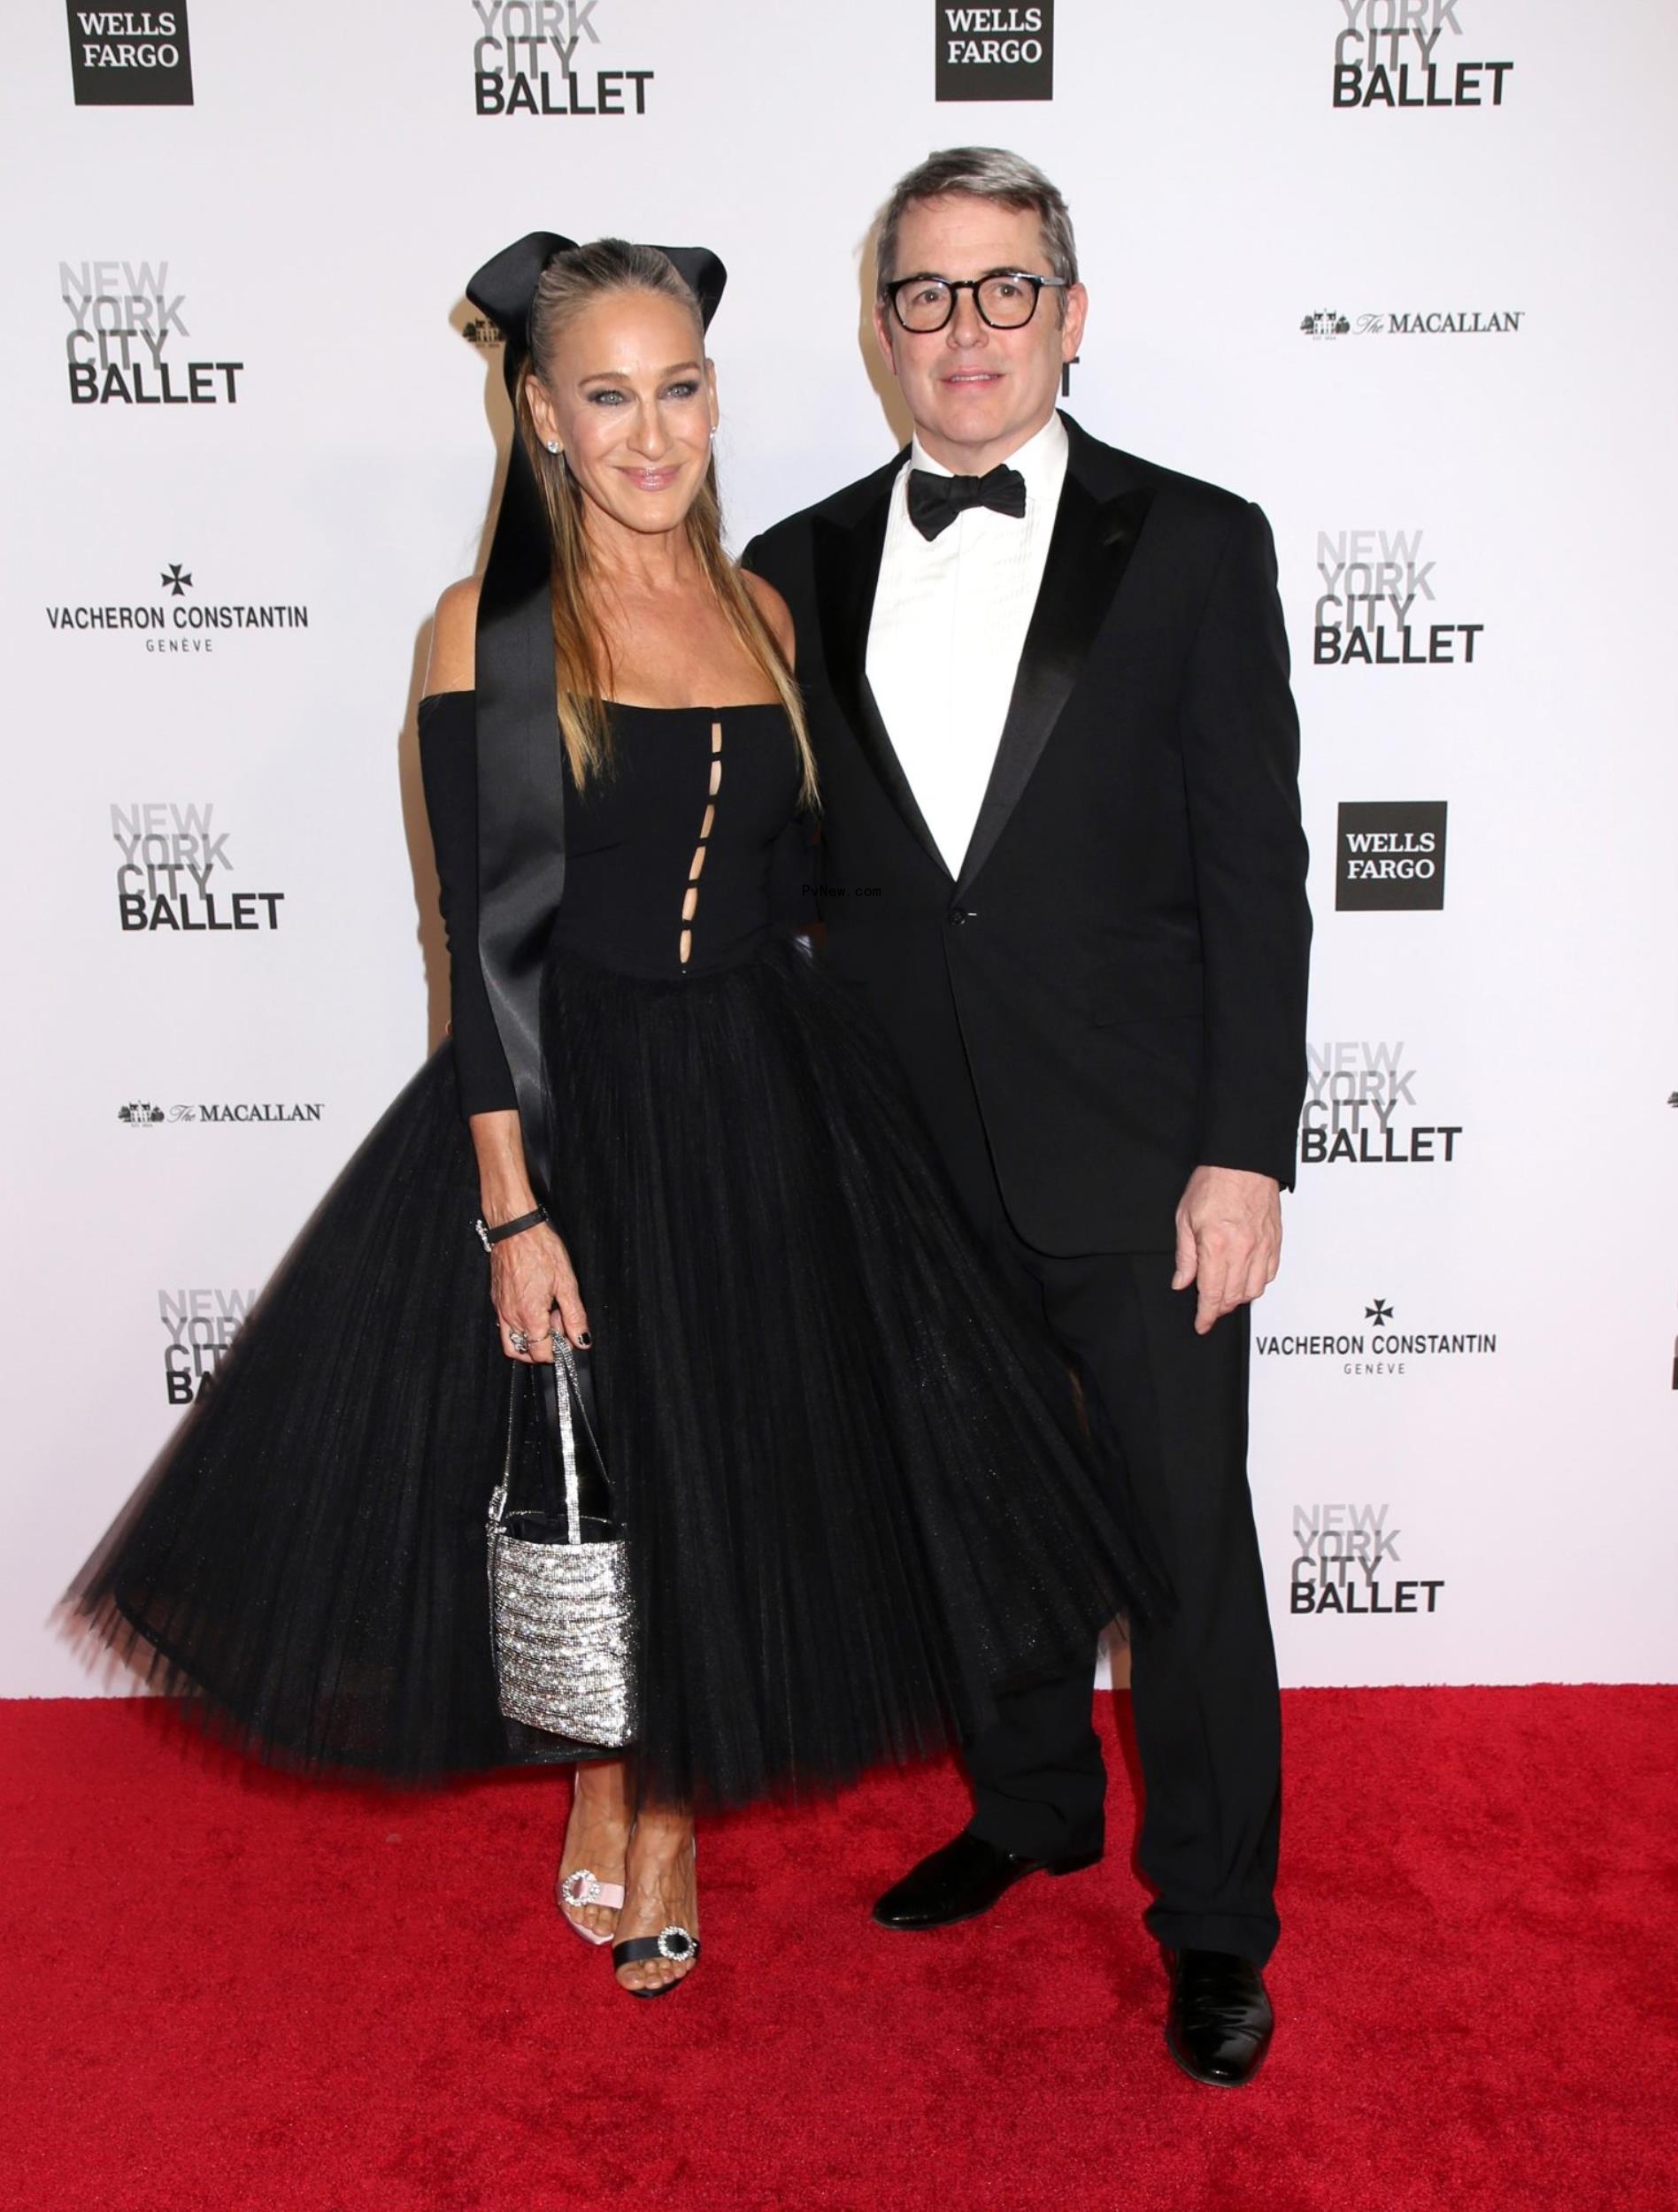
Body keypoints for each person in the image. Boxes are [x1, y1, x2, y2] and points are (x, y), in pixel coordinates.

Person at [69, 232, 1161, 2001]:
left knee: (733, 1459)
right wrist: (514, 1208)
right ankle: (605, 1770)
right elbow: (478, 939)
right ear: (541, 416)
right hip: (570, 1099)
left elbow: (815, 882)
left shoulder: (766, 611)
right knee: (597, 1475)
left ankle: (663, 1812)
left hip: (767, 1089)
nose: (652, 432)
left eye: (680, 388)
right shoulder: (485, 629)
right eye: (607, 394)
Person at [743, 149, 1310, 2084]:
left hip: (1150, 1161)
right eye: (926, 293)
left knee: (1184, 1555)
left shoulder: (1201, 544)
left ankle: (1219, 1921)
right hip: (901, 1153)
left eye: (1004, 290)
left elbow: (1256, 873)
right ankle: (1031, 1802)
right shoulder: (793, 566)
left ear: (1072, 314)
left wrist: (1250, 1148)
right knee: (972, 1523)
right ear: (877, 324)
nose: (964, 331)